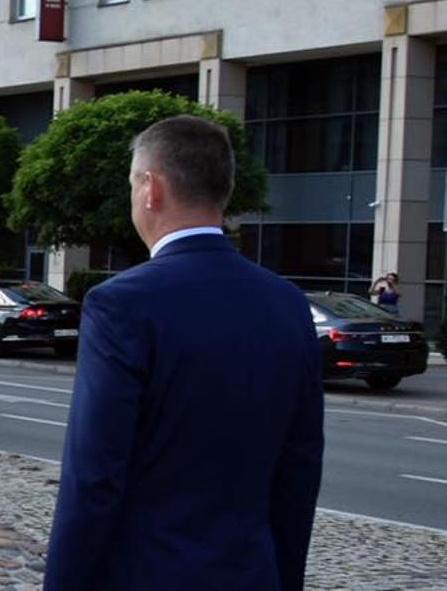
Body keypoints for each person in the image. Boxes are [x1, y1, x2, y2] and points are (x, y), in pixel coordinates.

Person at [46, 116, 322, 590]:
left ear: (151, 189)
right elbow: (298, 470)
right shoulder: (288, 303)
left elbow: (94, 477)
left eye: (132, 184)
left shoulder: (122, 304)